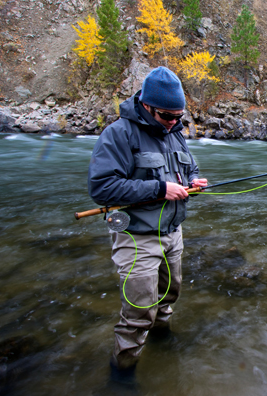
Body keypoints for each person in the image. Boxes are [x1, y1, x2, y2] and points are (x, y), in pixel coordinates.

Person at [88, 66, 207, 380]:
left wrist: (194, 180)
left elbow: (189, 166)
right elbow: (101, 189)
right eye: (167, 116)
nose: (173, 123)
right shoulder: (118, 134)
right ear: (145, 105)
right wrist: (159, 189)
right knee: (139, 311)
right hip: (136, 235)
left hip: (172, 232)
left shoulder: (174, 132)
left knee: (169, 295)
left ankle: (162, 342)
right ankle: (122, 373)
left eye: (178, 117)